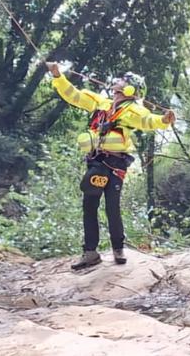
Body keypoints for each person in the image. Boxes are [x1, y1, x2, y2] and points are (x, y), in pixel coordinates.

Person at [46, 62, 176, 270]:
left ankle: (118, 249)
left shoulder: (133, 110)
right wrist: (57, 75)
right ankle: (90, 252)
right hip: (97, 161)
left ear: (130, 89)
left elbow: (148, 121)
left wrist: (164, 120)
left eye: (122, 82)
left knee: (112, 205)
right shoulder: (101, 103)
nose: (116, 84)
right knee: (89, 204)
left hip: (116, 164)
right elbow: (75, 95)